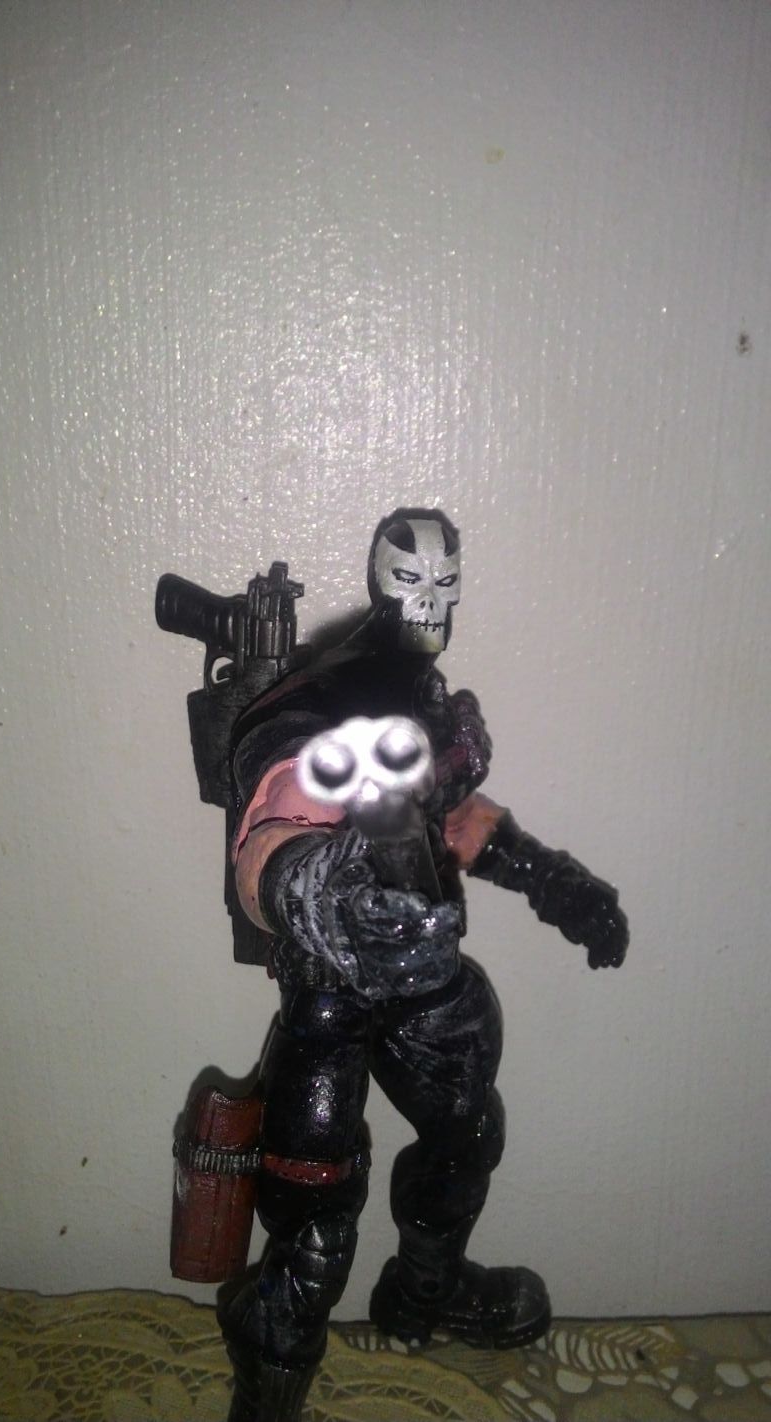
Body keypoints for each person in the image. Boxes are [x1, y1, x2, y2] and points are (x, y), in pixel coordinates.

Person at [219, 508, 628, 1421]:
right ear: (381, 580)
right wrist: (325, 894)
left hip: (420, 975)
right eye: (412, 580)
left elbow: (453, 817)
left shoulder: (421, 695)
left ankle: (426, 1294)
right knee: (314, 1227)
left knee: (465, 1135)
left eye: (447, 581)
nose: (431, 601)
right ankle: (268, 1393)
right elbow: (270, 832)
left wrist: (555, 883)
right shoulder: (322, 698)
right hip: (329, 991)